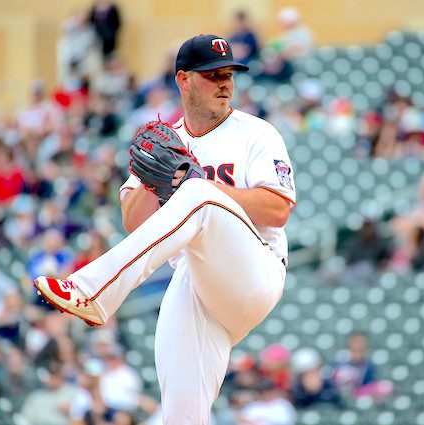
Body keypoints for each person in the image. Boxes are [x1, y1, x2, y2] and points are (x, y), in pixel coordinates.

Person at [35, 33, 295, 423]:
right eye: (213, 74)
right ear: (183, 80)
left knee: (198, 194)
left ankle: (92, 291)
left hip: (255, 270)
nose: (225, 82)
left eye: (230, 74)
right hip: (194, 284)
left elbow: (278, 209)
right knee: (182, 413)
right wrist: (149, 180)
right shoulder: (167, 141)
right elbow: (133, 222)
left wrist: (206, 188)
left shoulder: (255, 133)